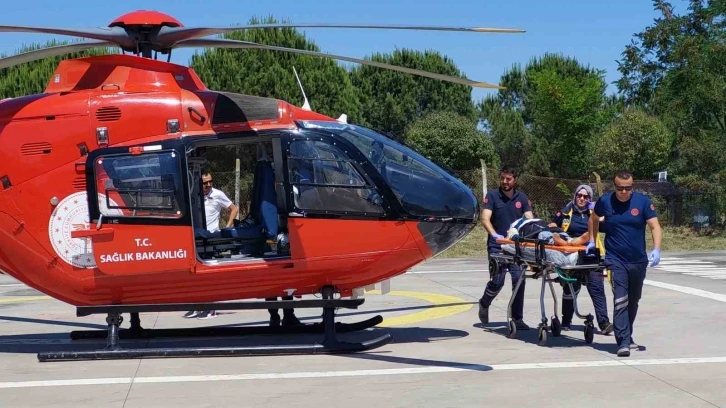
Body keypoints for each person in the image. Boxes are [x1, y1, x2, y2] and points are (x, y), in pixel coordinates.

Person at [587, 170, 662, 357]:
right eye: (620, 188)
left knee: (634, 300)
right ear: (614, 186)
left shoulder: (642, 202)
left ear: (632, 186)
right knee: (621, 298)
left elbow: (655, 226)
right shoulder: (605, 201)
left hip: (638, 260)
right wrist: (591, 240)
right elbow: (593, 219)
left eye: (628, 188)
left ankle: (627, 335)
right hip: (615, 259)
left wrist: (657, 248)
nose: (623, 192)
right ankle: (622, 342)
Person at [549, 184, 613, 335]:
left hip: (591, 256)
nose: (582, 199)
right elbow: (551, 225)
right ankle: (566, 321)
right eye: (579, 195)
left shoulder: (595, 213)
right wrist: (562, 236)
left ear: (590, 199)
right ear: (575, 195)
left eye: (586, 197)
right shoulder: (565, 212)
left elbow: (608, 226)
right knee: (571, 289)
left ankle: (604, 323)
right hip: (571, 256)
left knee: (597, 289)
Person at [478, 166, 533, 330]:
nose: (504, 182)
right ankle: (484, 303)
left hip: (515, 247)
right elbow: (485, 218)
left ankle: (517, 318)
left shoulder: (521, 198)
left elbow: (529, 218)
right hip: (497, 246)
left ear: (514, 180)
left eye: (508, 179)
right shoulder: (492, 196)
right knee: (497, 281)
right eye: (502, 178)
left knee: (519, 280)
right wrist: (495, 235)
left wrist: (527, 226)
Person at [184, 171, 239, 320]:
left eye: (210, 182)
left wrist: (227, 227)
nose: (208, 185)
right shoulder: (194, 195)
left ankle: (212, 308)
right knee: (194, 276)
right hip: (197, 237)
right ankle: (198, 306)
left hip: (211, 238)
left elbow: (234, 209)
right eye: (205, 182)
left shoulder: (217, 194)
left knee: (209, 277)